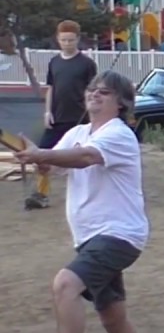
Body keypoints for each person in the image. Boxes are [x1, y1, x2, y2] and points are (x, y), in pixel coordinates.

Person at [15, 70, 148, 333]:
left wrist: (43, 156)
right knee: (112, 315)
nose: (94, 94)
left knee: (65, 284)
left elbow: (85, 158)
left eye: (104, 91)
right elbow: (57, 165)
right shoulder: (76, 134)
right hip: (89, 237)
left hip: (118, 235)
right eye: (91, 89)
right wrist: (39, 161)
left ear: (121, 103)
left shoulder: (119, 133)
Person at [28, 20, 98, 210]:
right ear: (58, 40)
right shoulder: (55, 62)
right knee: (41, 155)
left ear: (77, 40)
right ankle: (41, 194)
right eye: (64, 40)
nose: (67, 43)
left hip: (80, 119)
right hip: (57, 117)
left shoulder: (87, 64)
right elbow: (51, 88)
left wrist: (91, 114)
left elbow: (93, 91)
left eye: (71, 40)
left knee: (83, 159)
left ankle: (91, 196)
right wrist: (48, 112)